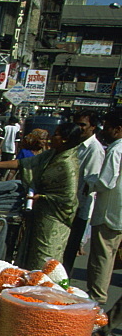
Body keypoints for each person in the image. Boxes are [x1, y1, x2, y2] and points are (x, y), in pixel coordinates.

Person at [0, 123, 84, 269]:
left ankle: (44, 289)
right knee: (30, 254)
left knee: (44, 258)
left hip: (54, 219)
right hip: (39, 213)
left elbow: (68, 199)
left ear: (65, 139)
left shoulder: (67, 164)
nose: (52, 137)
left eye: (56, 134)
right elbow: (24, 163)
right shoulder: (51, 154)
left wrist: (43, 197)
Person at [84, 109, 122, 312]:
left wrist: (90, 182)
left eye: (108, 127)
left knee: (101, 260)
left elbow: (106, 182)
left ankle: (96, 303)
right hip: (118, 215)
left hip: (108, 213)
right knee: (109, 258)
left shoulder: (116, 149)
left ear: (117, 129)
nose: (104, 131)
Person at [63, 110, 105, 275]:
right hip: (68, 205)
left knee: (68, 253)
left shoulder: (94, 150)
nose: (79, 128)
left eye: (83, 125)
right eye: (77, 124)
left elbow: (88, 184)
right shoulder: (76, 144)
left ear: (93, 127)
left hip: (78, 207)